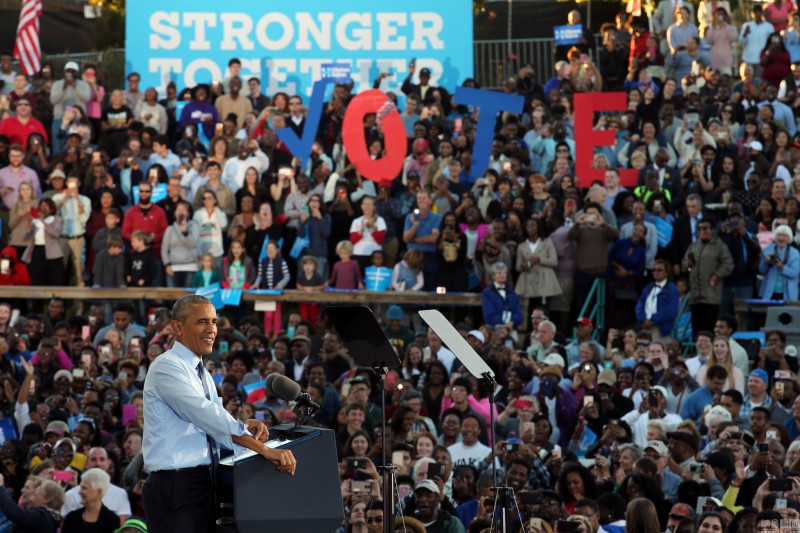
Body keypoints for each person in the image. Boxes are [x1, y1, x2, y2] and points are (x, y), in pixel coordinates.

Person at [142, 295, 296, 532]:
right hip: (176, 486)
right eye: (202, 322)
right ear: (177, 327)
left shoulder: (200, 370)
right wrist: (264, 450)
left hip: (201, 483)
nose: (212, 329)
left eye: (214, 322)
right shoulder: (167, 366)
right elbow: (206, 415)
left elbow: (211, 422)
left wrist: (244, 427)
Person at [61, 468, 119, 533]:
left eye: (84, 488)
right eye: (81, 488)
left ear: (99, 491)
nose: (79, 492)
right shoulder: (71, 518)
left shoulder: (112, 520)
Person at [758, 225, 799, 300]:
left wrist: (783, 267)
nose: (781, 238)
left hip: (788, 293)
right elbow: (761, 271)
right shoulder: (768, 250)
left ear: (789, 237)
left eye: (784, 235)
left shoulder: (794, 253)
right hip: (769, 292)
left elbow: (795, 273)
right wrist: (765, 262)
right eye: (779, 235)